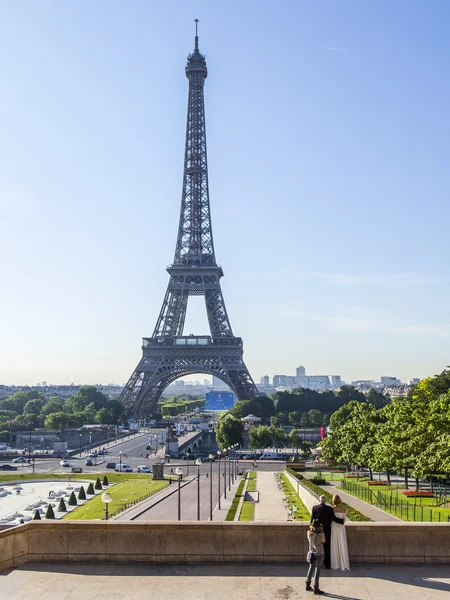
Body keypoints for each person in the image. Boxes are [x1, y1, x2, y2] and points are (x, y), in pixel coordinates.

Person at [311, 495, 344, 569]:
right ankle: (327, 564)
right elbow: (333, 518)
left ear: (319, 501)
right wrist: (342, 521)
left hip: (317, 531)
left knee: (317, 547)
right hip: (327, 531)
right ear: (325, 501)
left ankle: (317, 564)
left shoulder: (315, 508)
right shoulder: (329, 508)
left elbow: (312, 520)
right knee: (327, 547)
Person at [330, 494, 350, 571]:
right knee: (342, 545)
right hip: (341, 529)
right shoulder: (343, 509)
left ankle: (335, 564)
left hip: (333, 528)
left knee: (334, 546)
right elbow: (344, 521)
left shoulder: (332, 509)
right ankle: (343, 563)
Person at [305, 518, 325, 595]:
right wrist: (322, 531)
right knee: (318, 569)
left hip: (311, 553)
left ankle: (307, 583)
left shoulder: (308, 533)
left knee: (311, 568)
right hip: (319, 553)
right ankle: (316, 587)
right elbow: (324, 540)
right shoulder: (320, 534)